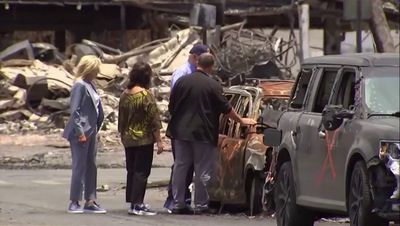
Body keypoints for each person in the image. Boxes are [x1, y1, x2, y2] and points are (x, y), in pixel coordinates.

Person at [167, 53, 256, 214]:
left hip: (180, 132)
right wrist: (241, 121)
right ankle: (201, 205)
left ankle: (178, 203)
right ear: (211, 67)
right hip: (203, 133)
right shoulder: (212, 85)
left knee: (181, 167)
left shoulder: (182, 81)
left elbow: (171, 106)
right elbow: (226, 108)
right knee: (203, 169)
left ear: (197, 63)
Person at [164, 43, 210, 212]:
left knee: (187, 166)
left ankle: (183, 200)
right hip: (183, 128)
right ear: (196, 57)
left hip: (189, 128)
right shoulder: (181, 73)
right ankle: (174, 200)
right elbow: (175, 101)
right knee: (181, 165)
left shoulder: (197, 75)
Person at [118, 62, 165, 216]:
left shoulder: (125, 94)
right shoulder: (146, 95)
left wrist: (122, 134)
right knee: (142, 171)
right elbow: (154, 120)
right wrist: (159, 140)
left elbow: (121, 118)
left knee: (131, 170)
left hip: (128, 138)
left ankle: (133, 202)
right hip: (143, 139)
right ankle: (137, 204)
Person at [63, 55, 106, 214]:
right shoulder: (79, 85)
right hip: (80, 132)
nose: (97, 72)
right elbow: (75, 112)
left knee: (91, 166)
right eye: (95, 69)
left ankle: (90, 200)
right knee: (79, 166)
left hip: (92, 130)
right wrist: (80, 132)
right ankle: (74, 201)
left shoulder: (91, 84)